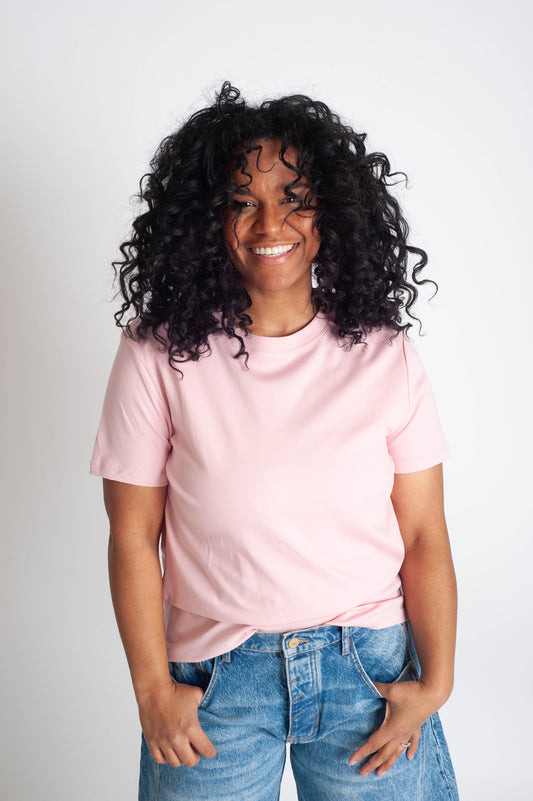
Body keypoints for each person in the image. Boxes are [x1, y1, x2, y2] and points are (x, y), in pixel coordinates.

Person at [90, 82, 460, 800]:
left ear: (331, 211)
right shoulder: (156, 353)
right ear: (208, 217)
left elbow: (422, 532)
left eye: (294, 195)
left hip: (369, 676)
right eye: (241, 200)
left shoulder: (384, 353)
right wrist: (150, 689)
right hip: (215, 684)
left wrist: (435, 680)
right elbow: (133, 534)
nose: (270, 221)